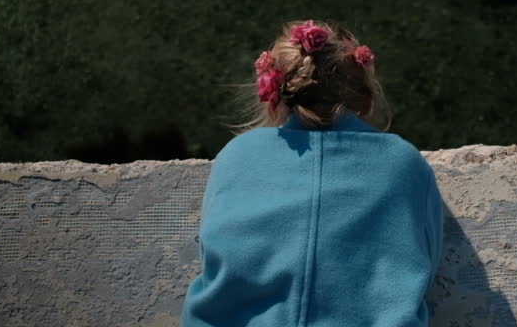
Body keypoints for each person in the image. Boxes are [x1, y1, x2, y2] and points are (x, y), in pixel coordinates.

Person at [180, 19, 444, 326]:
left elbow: (210, 255)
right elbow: (427, 263)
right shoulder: (403, 162)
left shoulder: (236, 156)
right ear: (367, 98)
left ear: (274, 99)